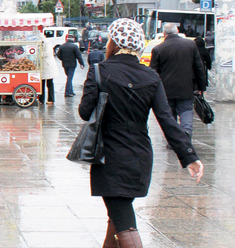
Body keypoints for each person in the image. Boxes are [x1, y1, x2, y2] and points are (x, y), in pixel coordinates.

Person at [79, 19, 203, 247]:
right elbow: (167, 120)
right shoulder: (151, 77)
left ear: (113, 42)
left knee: (123, 220)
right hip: (140, 156)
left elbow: (85, 112)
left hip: (110, 156)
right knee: (117, 215)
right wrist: (189, 156)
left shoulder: (100, 71)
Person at [149, 23, 207, 141]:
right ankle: (186, 132)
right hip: (186, 87)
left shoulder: (158, 49)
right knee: (186, 111)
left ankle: (174, 140)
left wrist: (152, 91)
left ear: (164, 34)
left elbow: (153, 72)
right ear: (177, 31)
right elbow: (198, 67)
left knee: (170, 115)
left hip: (165, 89)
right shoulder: (190, 45)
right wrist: (201, 86)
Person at [39, 37, 57, 105]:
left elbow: (47, 53)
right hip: (42, 67)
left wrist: (38, 54)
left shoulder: (48, 43)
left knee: (49, 84)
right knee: (41, 84)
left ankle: (51, 99)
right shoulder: (42, 44)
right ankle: (41, 99)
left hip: (48, 66)